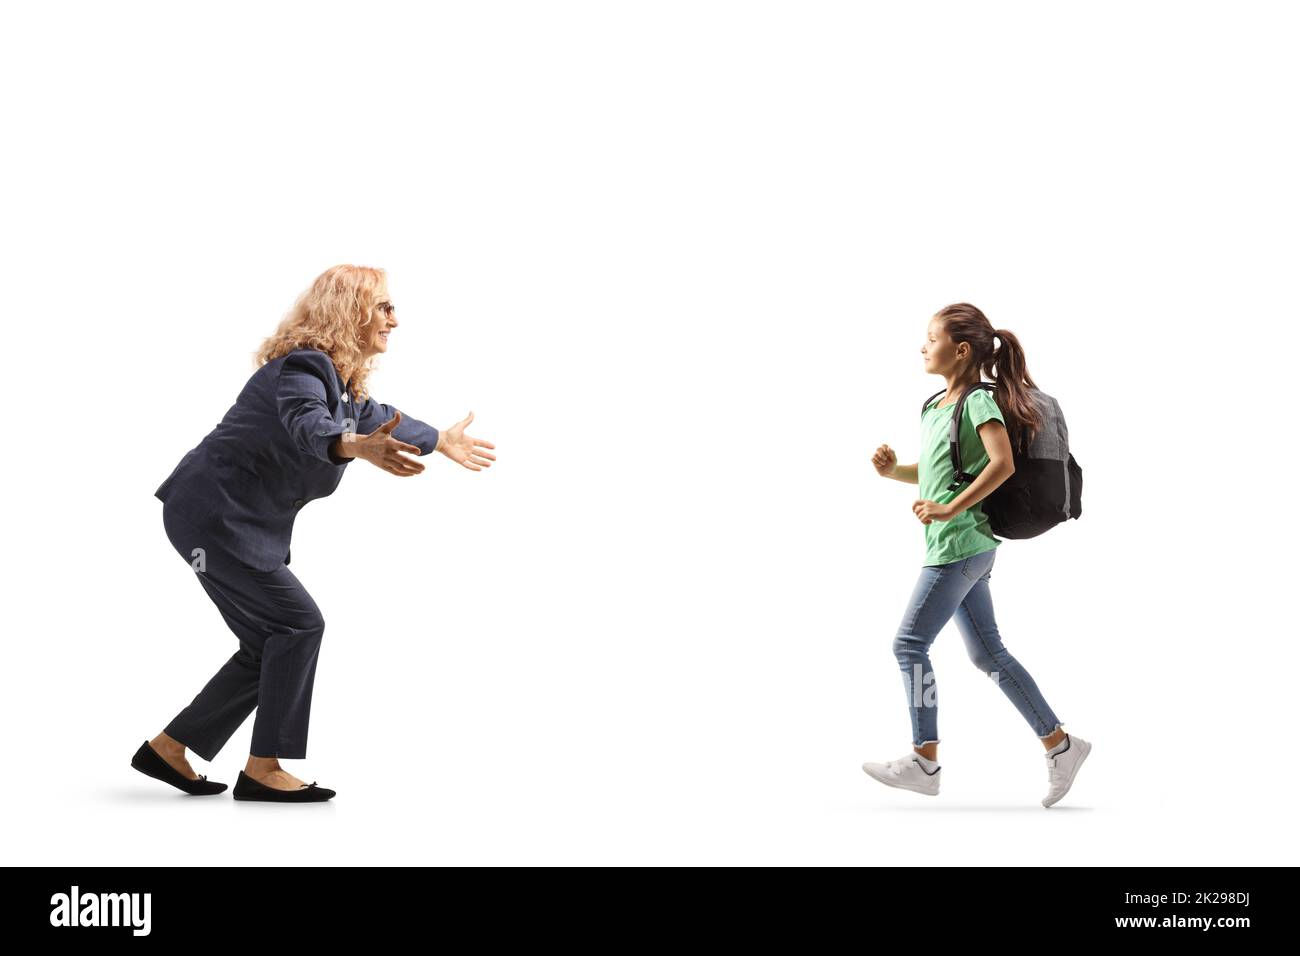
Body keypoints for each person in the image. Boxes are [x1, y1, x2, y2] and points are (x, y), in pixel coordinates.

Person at [131, 264, 496, 802]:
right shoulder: (302, 370)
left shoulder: (341, 389)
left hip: (237, 526)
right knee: (298, 625)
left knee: (268, 643)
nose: (395, 319)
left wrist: (440, 439)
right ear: (350, 312)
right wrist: (354, 445)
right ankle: (264, 768)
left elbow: (377, 415)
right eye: (384, 307)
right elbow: (311, 425)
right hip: (210, 520)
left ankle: (168, 749)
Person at [860, 303, 1089, 808]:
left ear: (960, 350)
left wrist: (949, 509)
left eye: (931, 337)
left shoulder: (979, 404)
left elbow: (1003, 464)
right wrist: (895, 469)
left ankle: (924, 759)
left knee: (908, 645)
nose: (923, 346)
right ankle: (1062, 745)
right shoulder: (933, 406)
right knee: (989, 654)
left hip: (960, 547)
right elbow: (937, 470)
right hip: (963, 548)